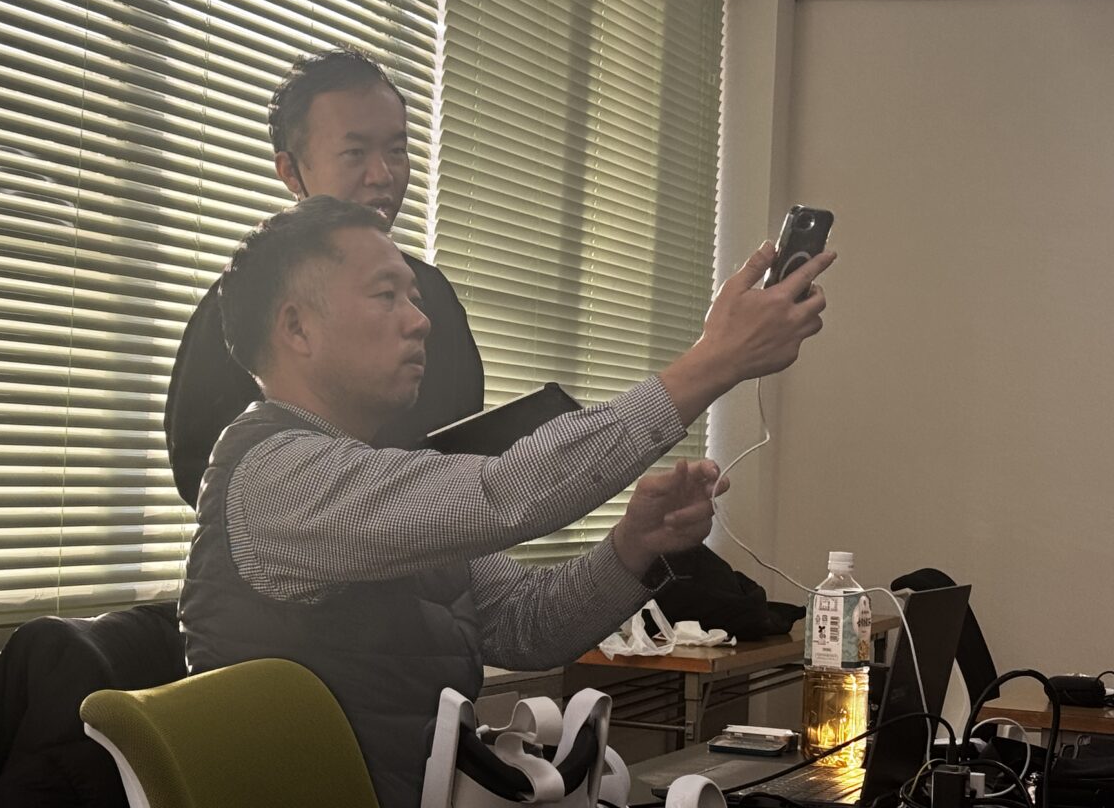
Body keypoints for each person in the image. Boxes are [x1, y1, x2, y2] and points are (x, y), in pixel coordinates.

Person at [178, 196, 835, 808]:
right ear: (296, 327)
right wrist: (712, 362)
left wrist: (635, 547)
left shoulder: (380, 485)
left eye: (414, 297)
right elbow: (502, 493)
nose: (420, 320)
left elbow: (529, 624)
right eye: (385, 295)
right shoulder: (272, 476)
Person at [163, 48, 483, 507]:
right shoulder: (248, 298)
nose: (383, 175)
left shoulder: (432, 294)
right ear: (291, 171)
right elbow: (200, 464)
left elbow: (465, 437)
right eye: (355, 153)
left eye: (397, 150)